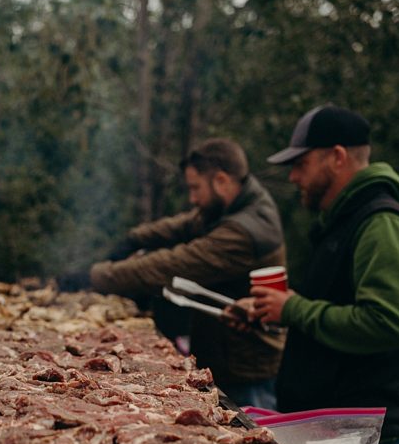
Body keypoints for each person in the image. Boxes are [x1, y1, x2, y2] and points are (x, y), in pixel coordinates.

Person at [248, 104, 399, 444]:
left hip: (358, 430)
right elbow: (334, 313)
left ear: (338, 156)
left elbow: (388, 322)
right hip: (331, 424)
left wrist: (294, 310)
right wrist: (277, 314)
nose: (293, 177)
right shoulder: (344, 220)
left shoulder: (380, 221)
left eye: (301, 164)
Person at [62, 138, 286, 408]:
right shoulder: (234, 204)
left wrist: (95, 277)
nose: (192, 198)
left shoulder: (244, 231)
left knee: (250, 440)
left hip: (246, 371)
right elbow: (183, 224)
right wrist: (134, 239)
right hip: (225, 354)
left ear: (222, 181)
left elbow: (169, 266)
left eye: (195, 188)